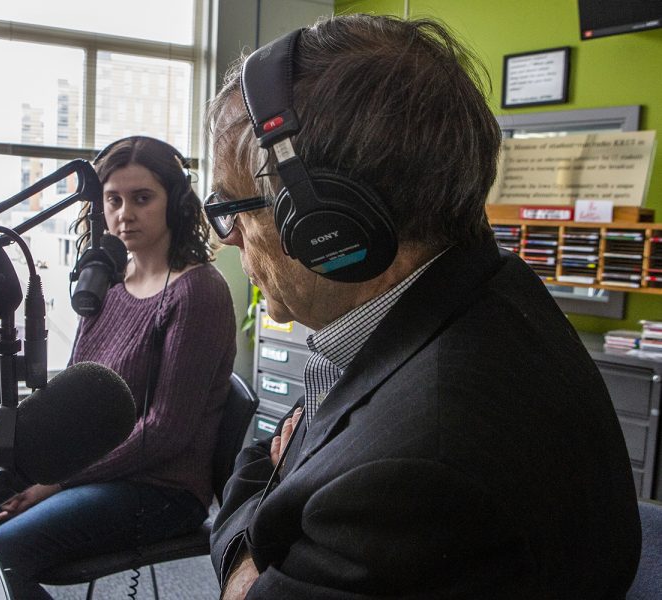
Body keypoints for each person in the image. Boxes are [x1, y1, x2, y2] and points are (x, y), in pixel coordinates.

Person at [205, 14, 641, 599]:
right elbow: (278, 445)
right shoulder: (488, 287)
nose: (228, 237)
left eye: (234, 208)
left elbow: (266, 488)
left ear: (327, 225)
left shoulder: (410, 477)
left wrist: (242, 562)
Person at [0, 136, 237, 599]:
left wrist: (53, 481)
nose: (125, 213)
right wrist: (23, 466)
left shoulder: (197, 292)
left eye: (143, 198)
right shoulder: (105, 282)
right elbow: (74, 390)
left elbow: (164, 432)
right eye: (113, 199)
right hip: (92, 472)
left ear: (176, 205)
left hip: (161, 490)